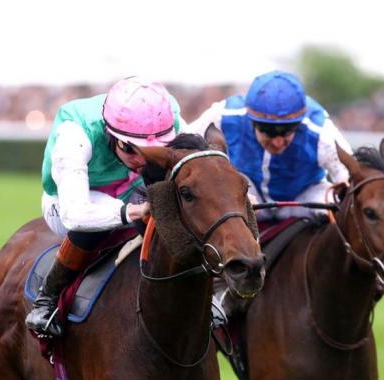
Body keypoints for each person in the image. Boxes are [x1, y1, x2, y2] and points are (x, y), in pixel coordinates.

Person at [27, 76, 185, 337]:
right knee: (99, 223)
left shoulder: (167, 115)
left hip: (130, 188)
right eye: (133, 150)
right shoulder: (75, 133)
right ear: (114, 136)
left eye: (153, 151)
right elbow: (76, 214)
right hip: (71, 202)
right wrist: (133, 211)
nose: (142, 160)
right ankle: (47, 299)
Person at [189, 70, 352, 222]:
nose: (278, 142)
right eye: (268, 130)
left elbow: (349, 175)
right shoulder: (224, 114)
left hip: (305, 196)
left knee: (338, 206)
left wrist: (344, 187)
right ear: (251, 119)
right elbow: (184, 146)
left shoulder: (319, 128)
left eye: (288, 130)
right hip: (248, 193)